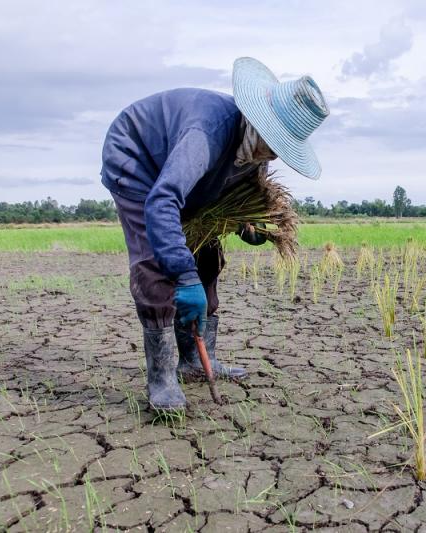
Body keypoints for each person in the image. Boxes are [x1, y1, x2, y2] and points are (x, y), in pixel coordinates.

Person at [100, 57, 329, 412]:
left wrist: (246, 227)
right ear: (256, 121)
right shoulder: (206, 133)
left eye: (280, 148)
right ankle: (161, 378)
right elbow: (162, 201)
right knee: (156, 264)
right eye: (271, 141)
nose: (271, 155)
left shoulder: (256, 152)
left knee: (207, 256)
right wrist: (183, 274)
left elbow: (223, 195)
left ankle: (194, 360)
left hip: (183, 180)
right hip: (138, 161)